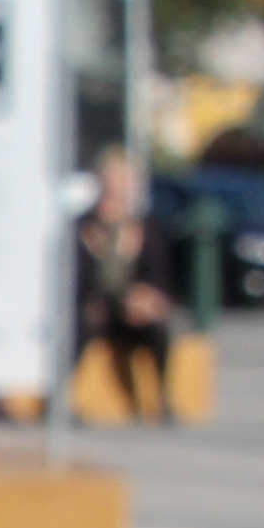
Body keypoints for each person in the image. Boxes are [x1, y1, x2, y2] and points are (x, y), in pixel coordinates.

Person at [76, 150, 184, 426]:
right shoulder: (82, 227)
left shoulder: (145, 228)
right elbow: (76, 277)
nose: (120, 191)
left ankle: (163, 398)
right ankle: (62, 400)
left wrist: (148, 297)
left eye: (125, 183)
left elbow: (160, 274)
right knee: (81, 325)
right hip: (96, 308)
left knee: (157, 327)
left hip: (131, 308)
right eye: (114, 183)